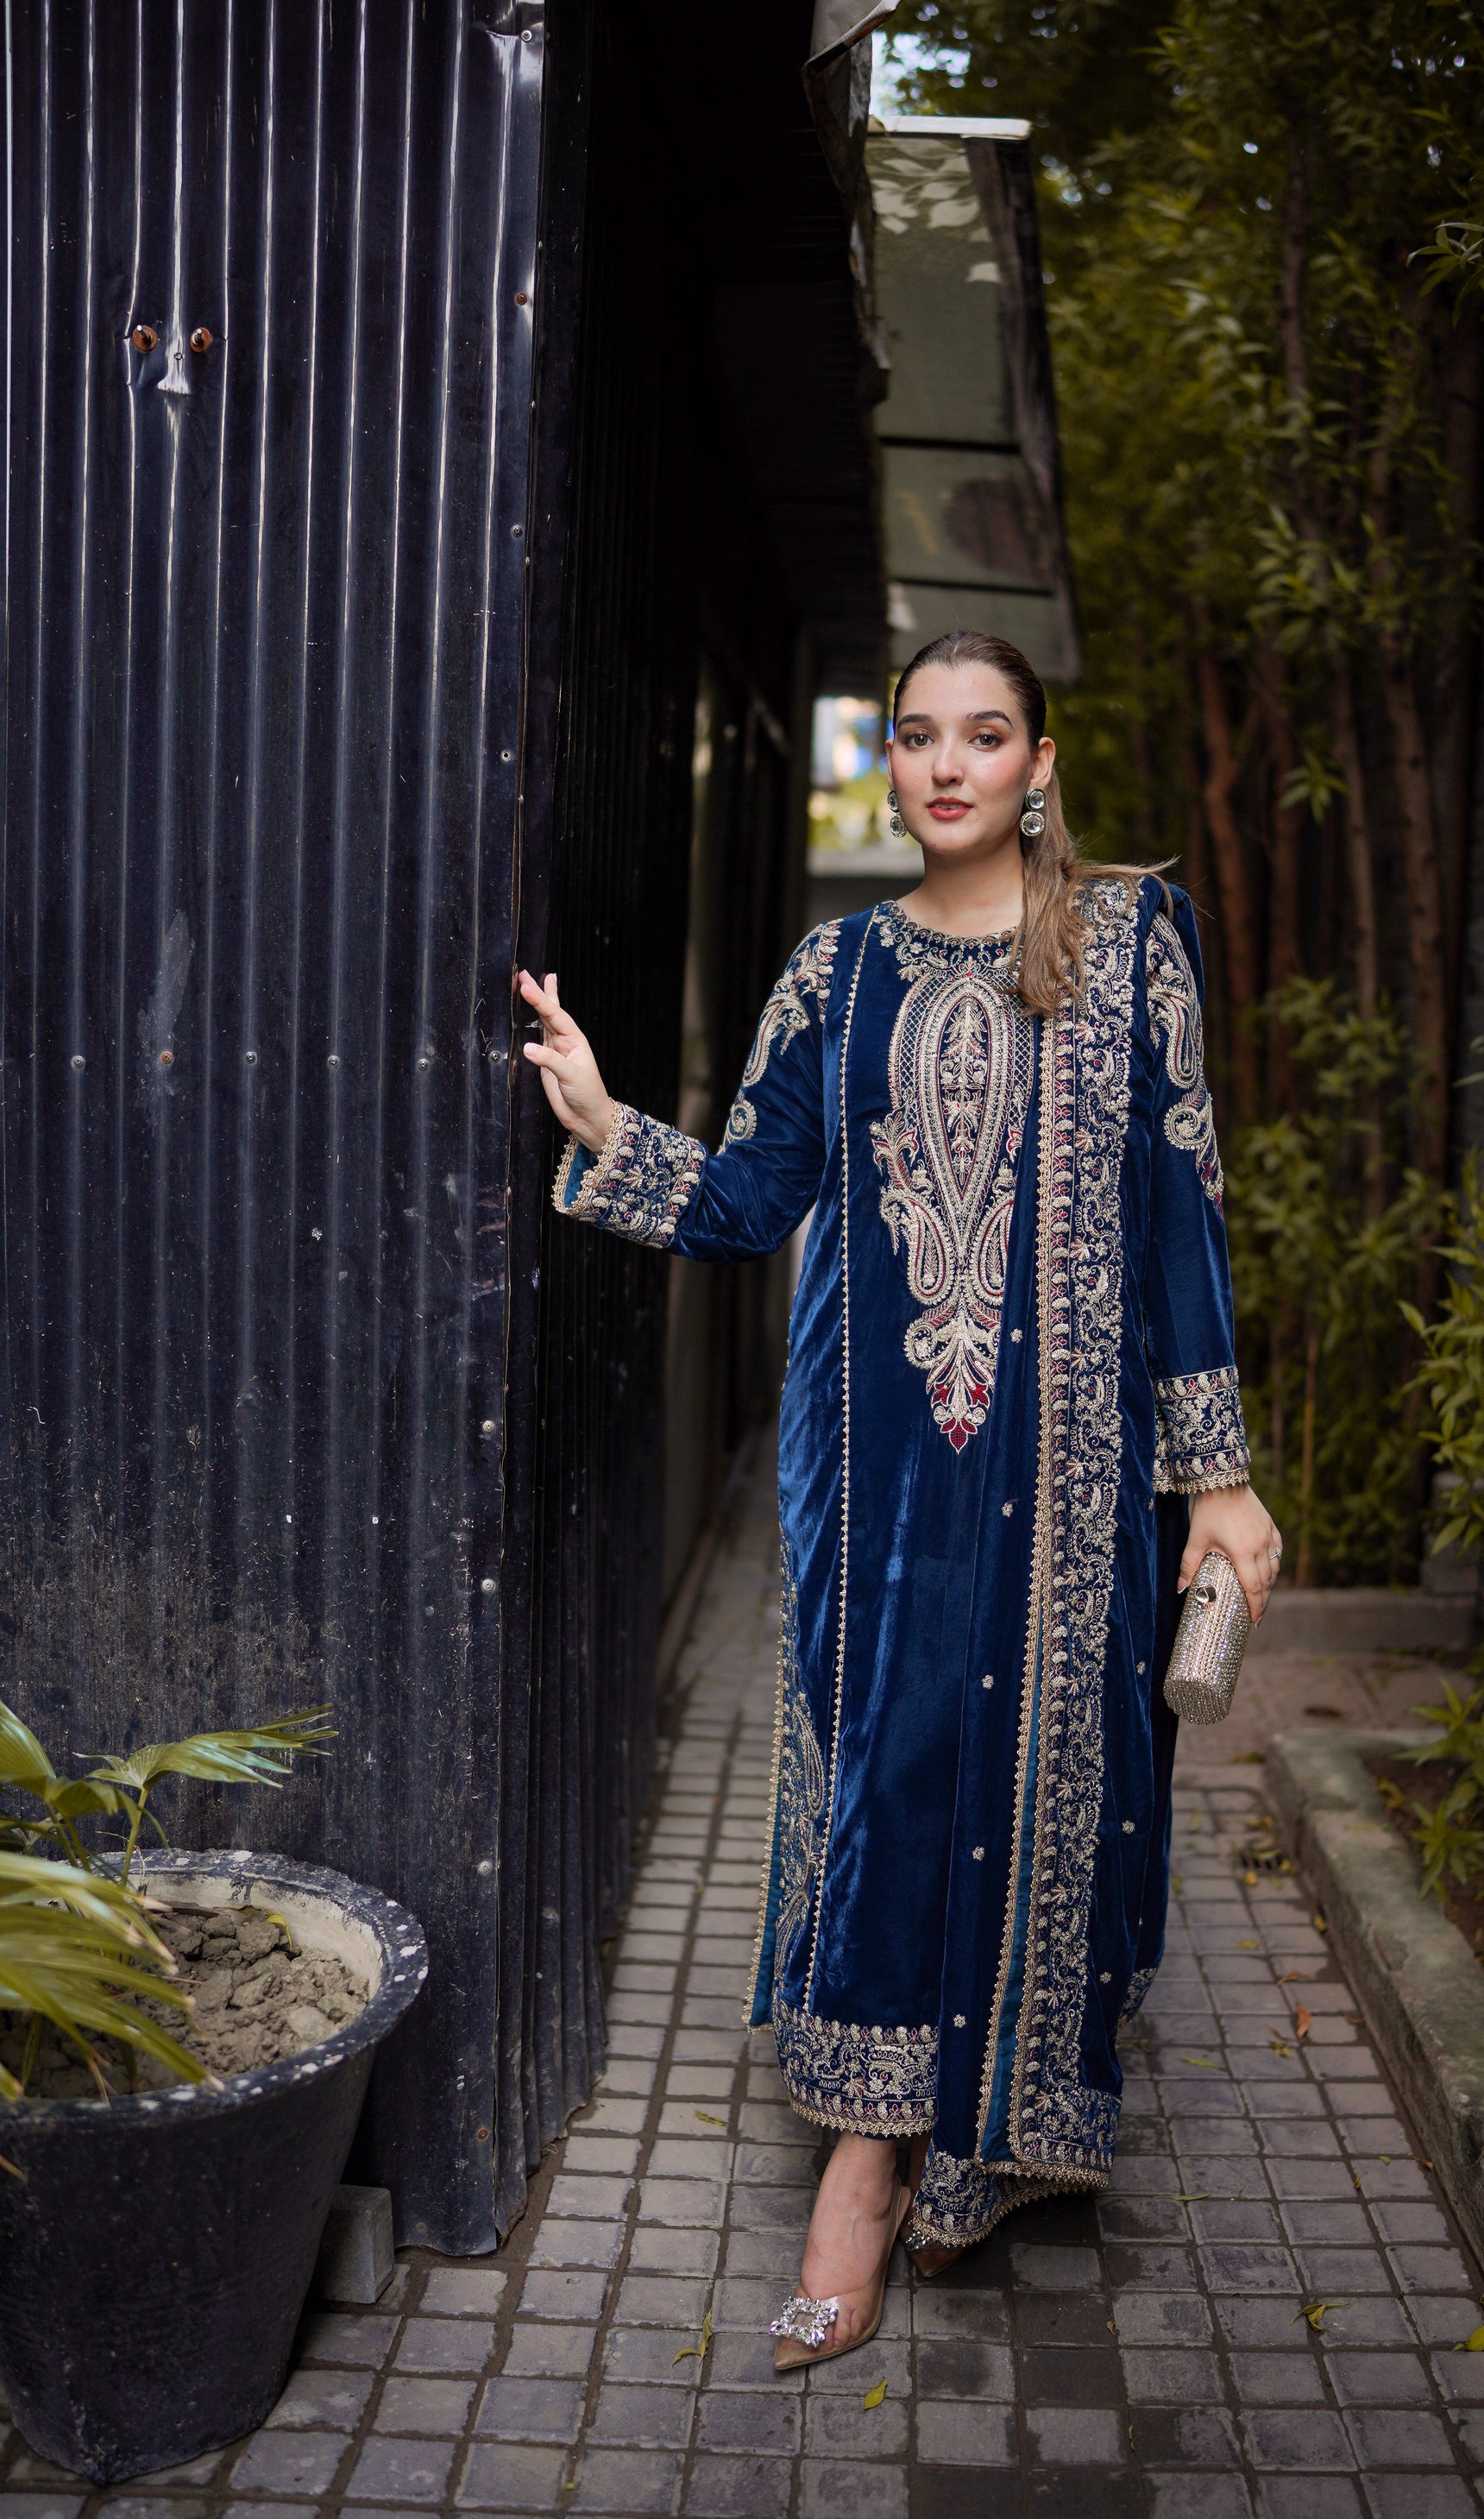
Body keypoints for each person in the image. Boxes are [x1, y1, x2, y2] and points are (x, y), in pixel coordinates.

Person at [519, 629, 1281, 2373]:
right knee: (891, 1761)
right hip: (879, 1464)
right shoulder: (834, 972)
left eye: (983, 734)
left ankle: (994, 2128)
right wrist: (608, 1117)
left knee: (1050, 1770)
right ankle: (863, 2158)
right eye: (918, 737)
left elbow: (1182, 1216)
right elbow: (750, 1199)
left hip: (1075, 1471)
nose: (946, 765)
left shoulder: (1130, 945)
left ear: (1038, 761)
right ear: (893, 765)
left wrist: (1218, 1482)